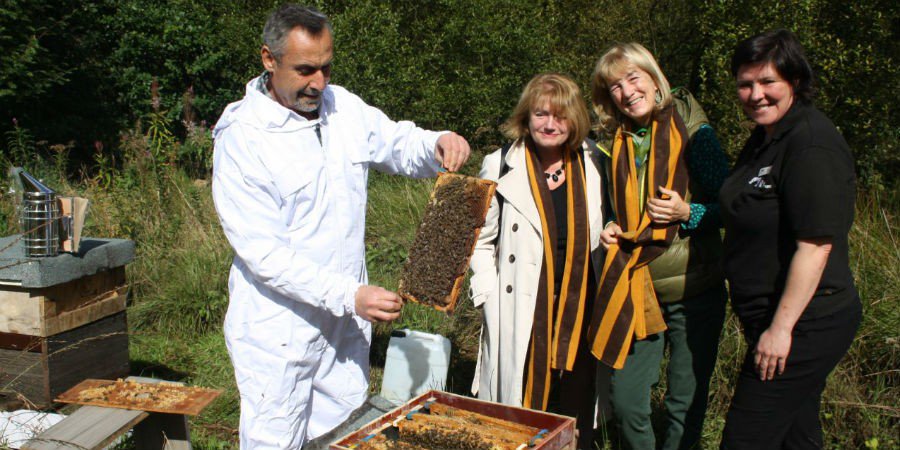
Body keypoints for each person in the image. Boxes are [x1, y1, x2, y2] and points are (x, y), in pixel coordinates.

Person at [210, 4, 470, 448]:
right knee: (276, 440)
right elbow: (265, 255)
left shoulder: (343, 107)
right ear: (269, 60)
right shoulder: (242, 136)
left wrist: (436, 143)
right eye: (306, 69)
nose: (319, 83)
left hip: (345, 326)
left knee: (346, 434)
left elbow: (397, 142)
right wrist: (349, 295)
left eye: (326, 68)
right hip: (279, 330)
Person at [719, 29, 861, 450]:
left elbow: (816, 245)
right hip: (773, 317)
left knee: (745, 439)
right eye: (745, 84)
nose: (755, 94)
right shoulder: (766, 137)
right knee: (795, 435)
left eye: (767, 82)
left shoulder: (810, 143)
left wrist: (781, 330)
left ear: (794, 81)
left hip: (806, 321)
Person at [588, 42, 729, 450]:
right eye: (614, 86)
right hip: (636, 289)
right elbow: (615, 207)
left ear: (654, 78)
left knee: (684, 402)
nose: (627, 91)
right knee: (628, 402)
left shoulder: (692, 130)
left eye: (633, 78)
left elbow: (732, 206)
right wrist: (613, 226)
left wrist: (689, 213)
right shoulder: (615, 141)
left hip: (693, 290)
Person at [469, 73, 609, 450]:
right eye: (541, 114)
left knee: (576, 409)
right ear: (525, 117)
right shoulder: (499, 164)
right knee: (522, 414)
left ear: (575, 119)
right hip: (521, 309)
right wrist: (488, 297)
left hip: (581, 312)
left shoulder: (596, 162)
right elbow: (480, 240)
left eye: (561, 116)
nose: (550, 124)